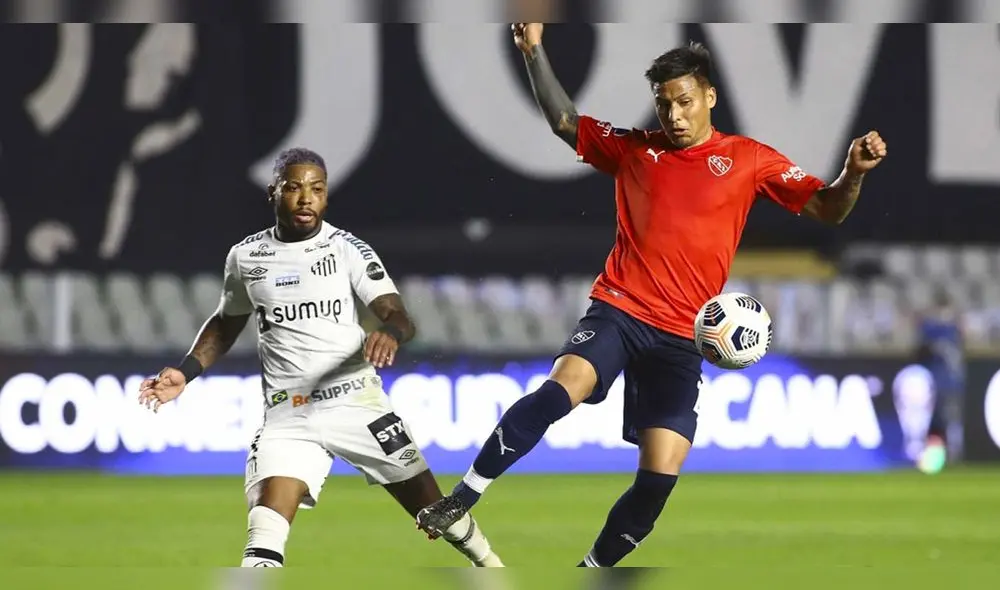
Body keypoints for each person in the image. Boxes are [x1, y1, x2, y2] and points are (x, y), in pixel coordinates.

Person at [416, 23, 888, 567]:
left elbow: (827, 209)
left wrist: (852, 172)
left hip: (687, 335)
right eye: (664, 105)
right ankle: (464, 496)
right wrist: (533, 51)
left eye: (685, 101)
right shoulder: (635, 150)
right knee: (558, 391)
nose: (675, 115)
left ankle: (590, 572)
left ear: (709, 96)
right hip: (620, 310)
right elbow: (564, 121)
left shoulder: (750, 159)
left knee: (658, 479)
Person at [138, 148, 503, 568]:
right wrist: (186, 372)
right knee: (264, 531)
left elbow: (398, 315)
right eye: (294, 188)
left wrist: (389, 332)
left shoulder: (347, 249)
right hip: (288, 416)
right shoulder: (246, 257)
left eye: (317, 189)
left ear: (326, 197)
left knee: (434, 511)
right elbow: (225, 322)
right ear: (274, 192)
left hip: (357, 405)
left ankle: (491, 567)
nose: (306, 198)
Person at [915, 289, 965, 474]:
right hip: (934, 384)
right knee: (934, 423)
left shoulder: (951, 329)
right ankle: (935, 457)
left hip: (947, 384)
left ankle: (952, 455)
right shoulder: (935, 328)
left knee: (949, 421)